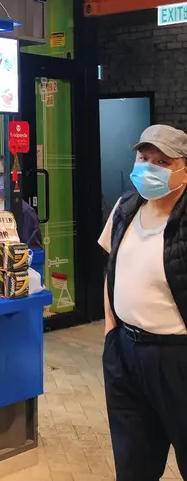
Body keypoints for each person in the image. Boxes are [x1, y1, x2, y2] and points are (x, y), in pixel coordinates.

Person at [99, 125, 187, 481]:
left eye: (162, 162)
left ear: (183, 169)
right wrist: (110, 331)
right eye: (144, 158)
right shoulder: (125, 207)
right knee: (133, 462)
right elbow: (112, 270)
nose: (149, 167)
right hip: (125, 352)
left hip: (176, 357)